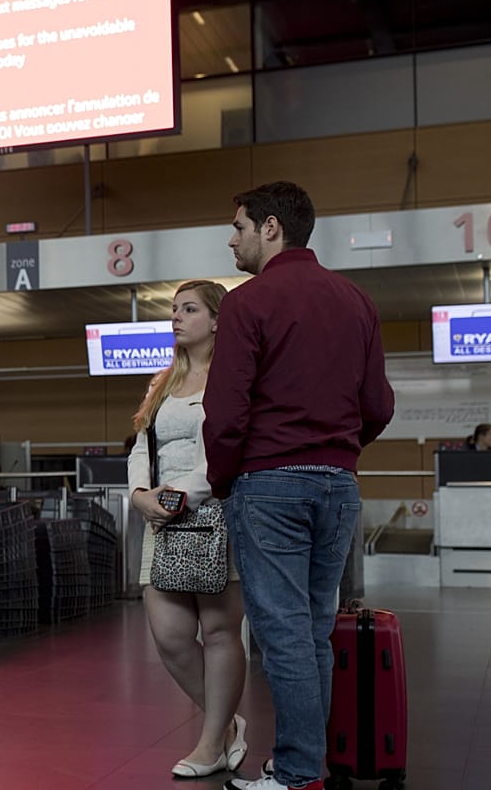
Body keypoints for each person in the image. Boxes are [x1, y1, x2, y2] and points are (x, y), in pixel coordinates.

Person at [204, 182, 395, 790]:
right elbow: (378, 404)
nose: (230, 239)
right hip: (338, 487)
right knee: (312, 632)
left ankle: (293, 775)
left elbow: (227, 410)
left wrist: (225, 477)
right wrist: (337, 452)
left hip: (270, 485)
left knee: (283, 636)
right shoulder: (357, 301)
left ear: (270, 228)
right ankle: (305, 766)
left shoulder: (246, 303)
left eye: (238, 227)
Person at [126, 279, 247, 779]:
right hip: (162, 521)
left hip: (215, 518)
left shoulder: (233, 378)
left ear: (217, 319)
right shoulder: (162, 381)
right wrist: (139, 497)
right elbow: (140, 448)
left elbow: (223, 453)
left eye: (189, 309)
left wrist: (172, 499)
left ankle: (210, 740)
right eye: (174, 309)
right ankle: (229, 726)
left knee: (220, 632)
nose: (176, 317)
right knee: (171, 636)